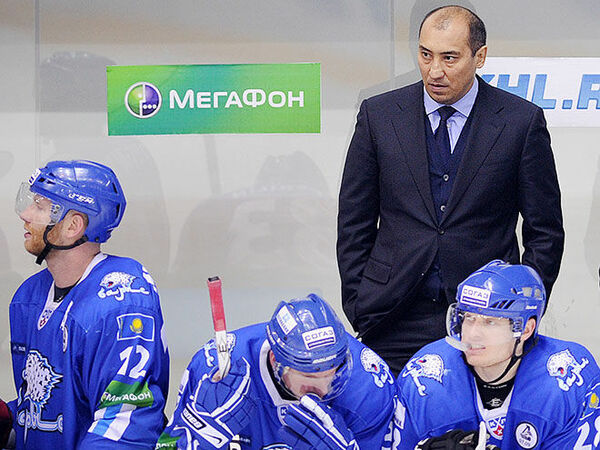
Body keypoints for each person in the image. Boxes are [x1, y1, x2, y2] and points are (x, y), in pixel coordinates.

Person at [336, 5, 564, 375]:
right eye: (426, 55)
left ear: (480, 57)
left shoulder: (521, 122)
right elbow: (354, 220)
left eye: (450, 57)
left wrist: (522, 309)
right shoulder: (379, 115)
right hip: (390, 317)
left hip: (487, 319)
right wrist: (359, 301)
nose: (434, 71)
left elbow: (545, 230)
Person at [0, 160, 169, 449]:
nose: (25, 214)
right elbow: (49, 408)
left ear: (73, 226)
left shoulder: (121, 301)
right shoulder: (29, 297)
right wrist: (8, 419)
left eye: (40, 206)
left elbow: (126, 421)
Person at [395, 260, 600, 449]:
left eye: (490, 322)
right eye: (468, 318)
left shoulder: (568, 376)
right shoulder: (425, 374)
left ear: (526, 329)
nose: (472, 333)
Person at [157, 293, 398, 449]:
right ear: (275, 360)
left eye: (332, 373)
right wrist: (203, 432)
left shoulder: (368, 385)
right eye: (309, 376)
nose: (324, 388)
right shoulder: (214, 369)